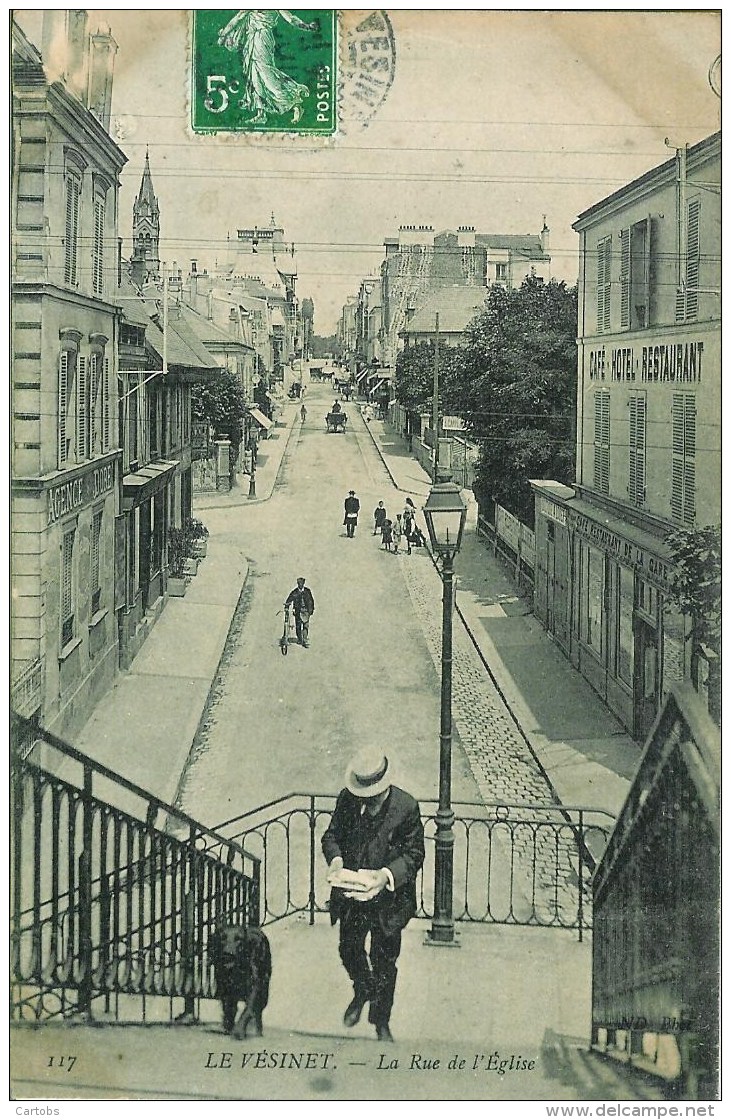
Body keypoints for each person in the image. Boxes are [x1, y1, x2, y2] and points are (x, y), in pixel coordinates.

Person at [322, 748, 425, 1043]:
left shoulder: (406, 808)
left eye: (372, 797)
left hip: (388, 903)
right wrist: (336, 860)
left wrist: (385, 876)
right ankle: (362, 988)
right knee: (349, 949)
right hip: (352, 897)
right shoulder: (347, 799)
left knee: (384, 964)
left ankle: (381, 1022)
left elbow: (415, 854)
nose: (366, 803)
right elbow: (331, 836)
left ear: (384, 788)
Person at [217, 9, 318, 125]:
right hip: (251, 38)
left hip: (263, 39)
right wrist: (224, 34)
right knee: (254, 75)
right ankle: (261, 114)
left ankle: (294, 103)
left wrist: (306, 26)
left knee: (266, 75)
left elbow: (290, 18)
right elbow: (239, 17)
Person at [284, 577, 315, 648]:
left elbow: (311, 601)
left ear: (304, 583)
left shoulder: (307, 591)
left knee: (306, 625)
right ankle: (300, 639)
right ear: (297, 584)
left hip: (306, 611)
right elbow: (289, 599)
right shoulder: (295, 592)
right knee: (298, 626)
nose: (300, 585)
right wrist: (286, 606)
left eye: (301, 583)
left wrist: (311, 610)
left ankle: (304, 640)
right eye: (299, 583)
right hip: (298, 611)